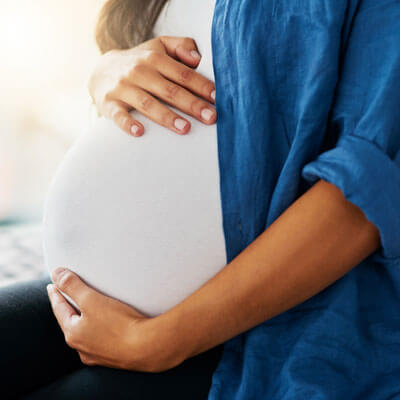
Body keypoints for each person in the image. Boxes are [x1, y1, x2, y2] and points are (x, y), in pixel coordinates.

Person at [2, 0, 400, 399]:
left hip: (273, 320)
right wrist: (106, 70)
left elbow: (369, 187)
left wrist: (158, 342)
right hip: (104, 303)